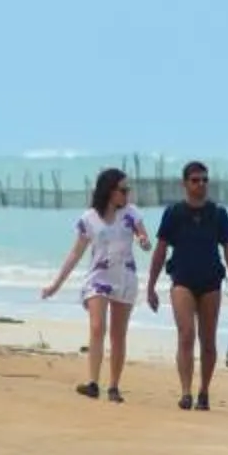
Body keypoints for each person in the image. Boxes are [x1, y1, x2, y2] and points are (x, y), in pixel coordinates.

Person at [146, 160, 228, 411]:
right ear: (185, 183)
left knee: (208, 340)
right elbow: (160, 251)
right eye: (195, 180)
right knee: (186, 335)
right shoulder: (174, 214)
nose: (200, 184)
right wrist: (150, 286)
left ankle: (204, 391)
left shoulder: (218, 214)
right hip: (182, 280)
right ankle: (185, 392)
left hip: (211, 282)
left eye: (204, 179)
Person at [42, 167, 150, 400]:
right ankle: (92, 382)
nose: (127, 194)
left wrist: (143, 240)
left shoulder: (131, 213)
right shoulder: (89, 218)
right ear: (110, 191)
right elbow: (75, 253)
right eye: (123, 190)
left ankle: (113, 386)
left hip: (124, 278)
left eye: (128, 189)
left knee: (118, 334)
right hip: (98, 279)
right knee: (97, 326)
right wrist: (56, 285)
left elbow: (143, 234)